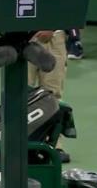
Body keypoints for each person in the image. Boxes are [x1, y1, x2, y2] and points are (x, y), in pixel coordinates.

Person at [27, 30, 70, 163]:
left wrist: (51, 27)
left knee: (52, 95)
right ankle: (19, 142)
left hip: (54, 36)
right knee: (19, 91)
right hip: (23, 35)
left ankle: (54, 144)